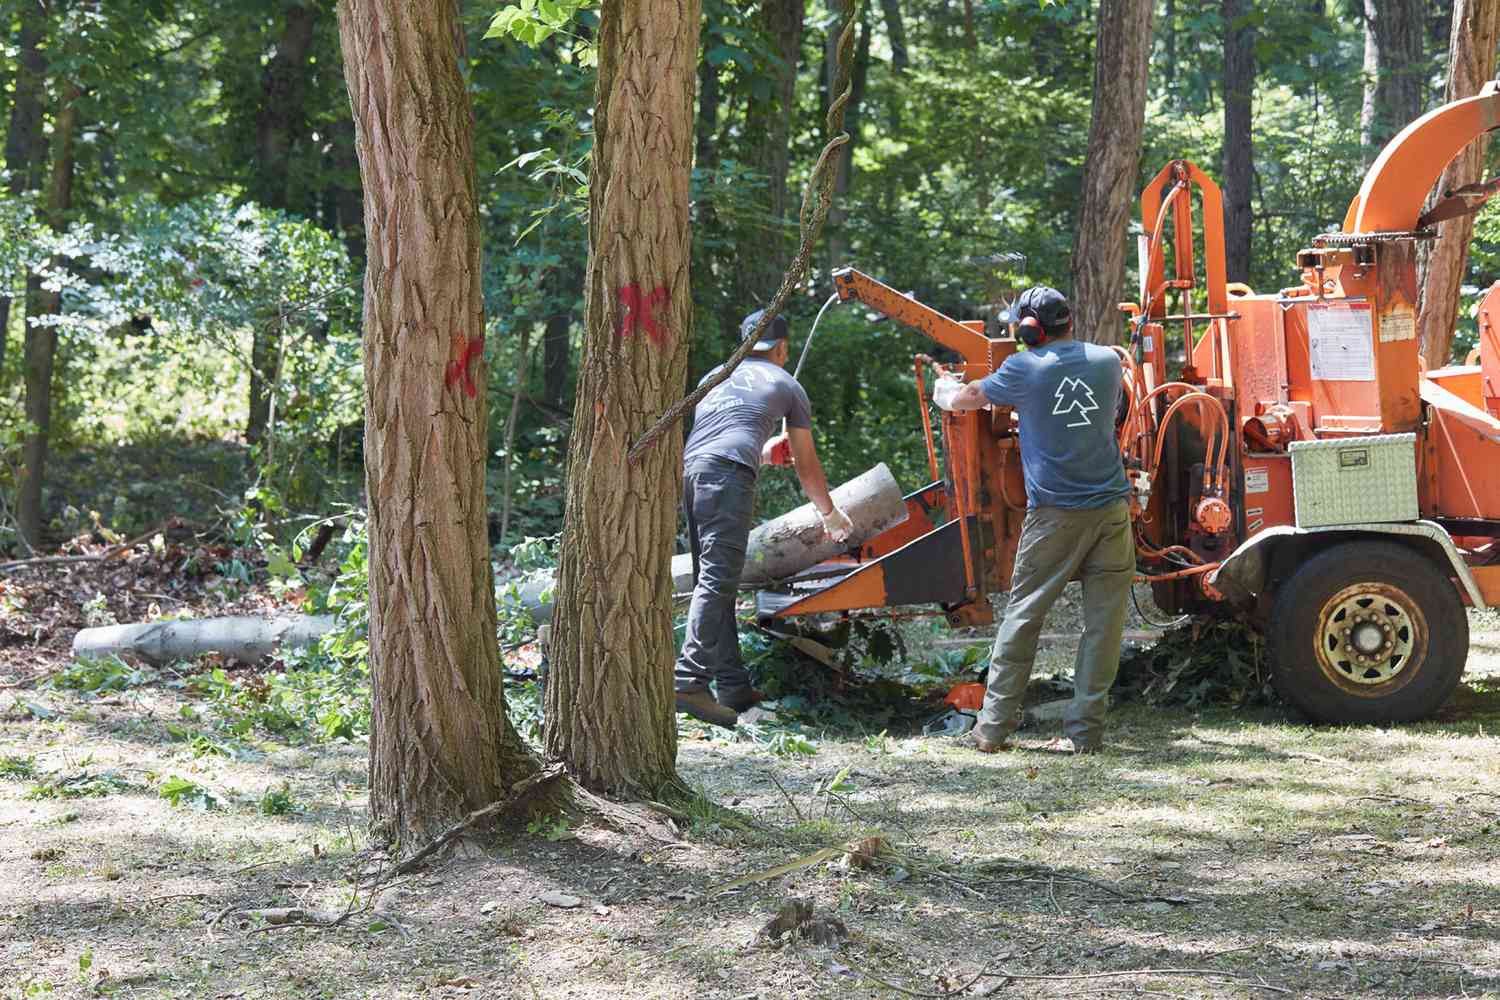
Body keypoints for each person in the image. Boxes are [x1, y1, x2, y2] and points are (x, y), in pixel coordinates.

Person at [932, 286, 1132, 754]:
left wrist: (944, 389)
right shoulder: (1108, 361)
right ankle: (1086, 734)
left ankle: (992, 729)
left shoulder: (1023, 367)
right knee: (1104, 626)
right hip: (1112, 512)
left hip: (1057, 516)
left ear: (1029, 329)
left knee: (1023, 617)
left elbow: (966, 400)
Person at [675, 310, 853, 728]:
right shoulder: (786, 383)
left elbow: (720, 433)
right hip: (728, 478)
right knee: (719, 580)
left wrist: (762, 451)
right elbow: (807, 464)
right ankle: (687, 681)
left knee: (711, 579)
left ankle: (732, 688)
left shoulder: (713, 377)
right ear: (783, 348)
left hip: (693, 471)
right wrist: (830, 512)